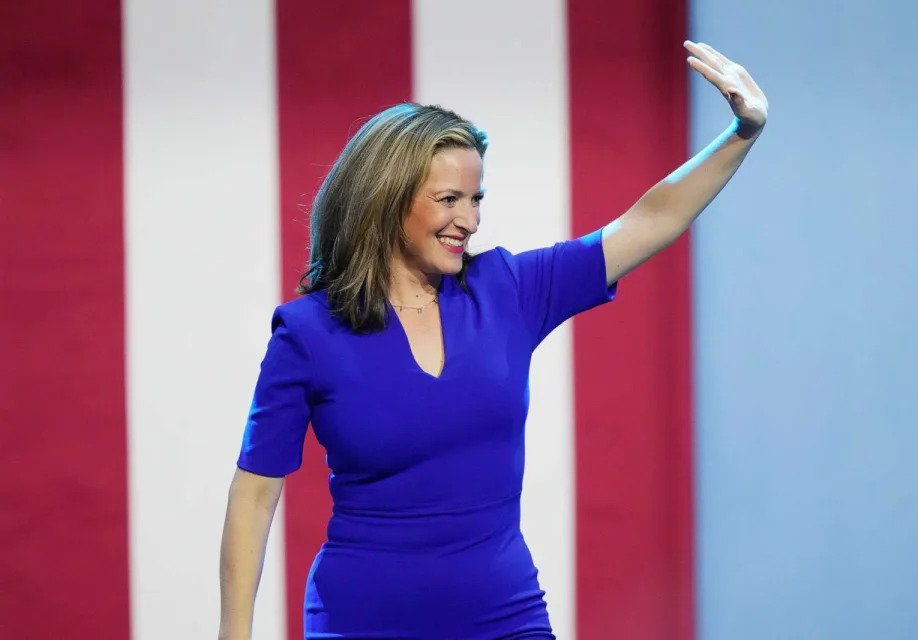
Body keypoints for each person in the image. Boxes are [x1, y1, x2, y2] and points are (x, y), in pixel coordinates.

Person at [218, 40, 767, 640]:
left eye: (475, 199)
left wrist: (742, 133)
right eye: (448, 199)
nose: (470, 220)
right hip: (363, 620)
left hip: (503, 616)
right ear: (386, 201)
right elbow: (254, 496)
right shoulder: (306, 333)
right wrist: (234, 634)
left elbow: (649, 220)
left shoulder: (507, 288)